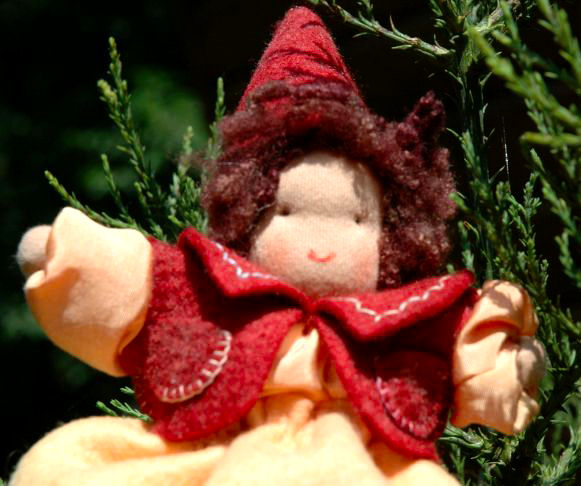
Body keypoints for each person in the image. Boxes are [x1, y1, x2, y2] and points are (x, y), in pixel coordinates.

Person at [12, 7, 545, 486]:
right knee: (65, 465)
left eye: (357, 219)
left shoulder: (410, 315)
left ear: (394, 233)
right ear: (247, 214)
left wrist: (503, 365)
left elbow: (472, 346)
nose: (320, 247)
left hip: (366, 464)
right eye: (286, 213)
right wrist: (69, 257)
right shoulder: (209, 286)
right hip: (219, 453)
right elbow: (136, 279)